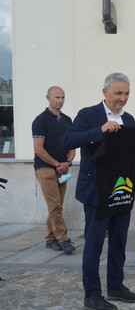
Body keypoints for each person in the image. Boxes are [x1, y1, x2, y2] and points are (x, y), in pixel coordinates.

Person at [62, 72, 135, 310]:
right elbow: (68, 140)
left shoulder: (128, 118)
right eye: (118, 93)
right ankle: (92, 295)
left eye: (126, 93)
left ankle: (116, 287)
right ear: (105, 92)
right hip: (97, 190)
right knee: (94, 244)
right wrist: (100, 130)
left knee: (119, 240)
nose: (123, 98)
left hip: (122, 189)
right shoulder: (89, 115)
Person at [32, 86, 76, 254]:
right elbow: (38, 149)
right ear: (48, 98)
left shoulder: (67, 120)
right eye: (57, 97)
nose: (60, 100)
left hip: (62, 169)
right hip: (45, 168)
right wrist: (57, 164)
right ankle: (64, 240)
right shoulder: (40, 120)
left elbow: (72, 145)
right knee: (54, 205)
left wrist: (68, 163)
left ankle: (51, 239)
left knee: (57, 205)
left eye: (63, 97)